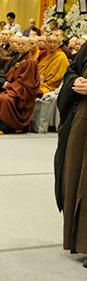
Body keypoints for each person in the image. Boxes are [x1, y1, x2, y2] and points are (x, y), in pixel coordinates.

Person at [54, 42, 87, 269]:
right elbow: (72, 68)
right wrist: (74, 81)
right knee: (77, 176)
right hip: (83, 118)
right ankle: (82, 241)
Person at [0, 36, 39, 134]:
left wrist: (10, 86)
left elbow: (26, 81)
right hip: (9, 88)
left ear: (29, 46)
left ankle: (3, 127)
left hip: (21, 91)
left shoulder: (30, 61)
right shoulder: (14, 58)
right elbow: (3, 72)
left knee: (4, 100)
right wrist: (3, 82)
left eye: (23, 44)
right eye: (18, 44)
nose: (20, 46)